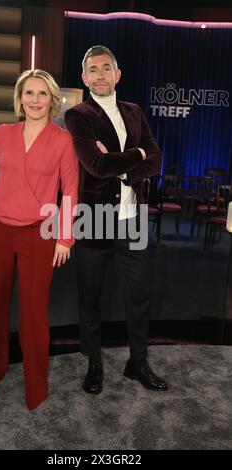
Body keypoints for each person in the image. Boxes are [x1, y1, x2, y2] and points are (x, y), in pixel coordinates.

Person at [0, 69, 79, 410]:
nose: (34, 99)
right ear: (20, 99)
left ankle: (36, 386)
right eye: (28, 93)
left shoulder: (62, 141)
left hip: (40, 235)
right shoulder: (3, 133)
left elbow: (71, 191)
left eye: (41, 94)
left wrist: (65, 238)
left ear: (52, 100)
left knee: (33, 313)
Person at [65, 45, 167, 394]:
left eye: (106, 68)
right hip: (94, 217)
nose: (100, 75)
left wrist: (124, 167)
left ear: (117, 74)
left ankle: (137, 363)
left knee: (139, 294)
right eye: (93, 70)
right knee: (90, 296)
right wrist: (135, 156)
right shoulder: (78, 116)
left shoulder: (135, 111)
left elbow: (155, 159)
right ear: (84, 78)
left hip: (132, 218)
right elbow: (95, 165)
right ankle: (94, 363)